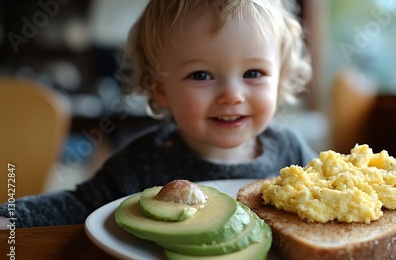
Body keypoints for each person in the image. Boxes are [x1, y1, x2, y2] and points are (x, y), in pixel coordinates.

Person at [0, 0, 316, 228]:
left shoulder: (292, 152)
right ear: (160, 89)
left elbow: (330, 196)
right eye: (201, 75)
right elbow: (79, 205)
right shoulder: (143, 159)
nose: (232, 95)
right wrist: (12, 216)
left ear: (281, 78)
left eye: (253, 72)